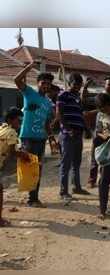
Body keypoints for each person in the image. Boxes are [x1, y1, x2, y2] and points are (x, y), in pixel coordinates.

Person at [14, 61, 54, 208]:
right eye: (43, 82)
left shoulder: (48, 102)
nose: (46, 85)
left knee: (38, 167)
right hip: (28, 137)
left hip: (41, 138)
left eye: (48, 84)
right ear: (38, 83)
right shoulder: (29, 92)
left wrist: (51, 138)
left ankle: (34, 197)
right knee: (30, 166)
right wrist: (29, 67)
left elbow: (46, 122)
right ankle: (32, 199)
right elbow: (16, 80)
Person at [56, 73, 90, 203]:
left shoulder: (76, 97)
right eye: (75, 84)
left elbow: (80, 115)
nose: (77, 86)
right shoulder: (63, 95)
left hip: (78, 134)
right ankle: (63, 191)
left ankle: (77, 187)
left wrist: (86, 129)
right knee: (66, 164)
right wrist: (68, 129)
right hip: (67, 134)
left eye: (79, 84)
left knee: (76, 163)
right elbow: (59, 113)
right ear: (70, 83)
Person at [0, 108, 30, 226]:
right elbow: (13, 152)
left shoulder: (2, 128)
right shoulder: (12, 132)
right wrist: (25, 156)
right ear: (10, 120)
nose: (20, 123)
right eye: (18, 120)